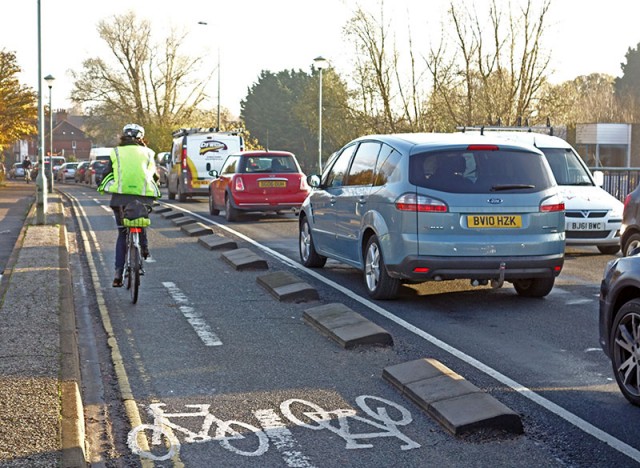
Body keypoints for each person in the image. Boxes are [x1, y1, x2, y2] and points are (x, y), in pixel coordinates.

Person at [97, 123, 161, 287]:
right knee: (140, 219)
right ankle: (144, 247)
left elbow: (107, 174)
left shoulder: (116, 152)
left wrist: (104, 184)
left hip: (120, 199)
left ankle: (118, 273)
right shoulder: (148, 153)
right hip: (143, 197)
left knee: (122, 233)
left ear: (123, 137)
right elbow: (154, 176)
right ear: (141, 138)